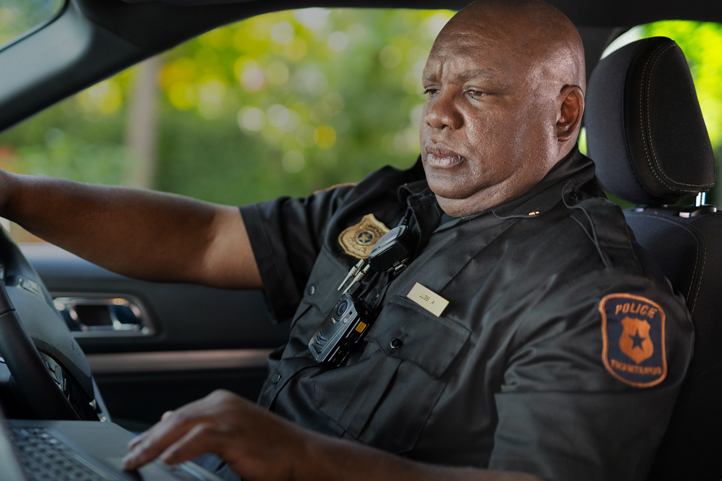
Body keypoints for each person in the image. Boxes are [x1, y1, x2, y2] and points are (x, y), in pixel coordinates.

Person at [0, 0, 693, 480]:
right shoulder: (393, 205)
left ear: (565, 111)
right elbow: (206, 237)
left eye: (478, 92)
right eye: (431, 89)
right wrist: (16, 196)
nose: (437, 116)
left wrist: (304, 459)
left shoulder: (599, 293)